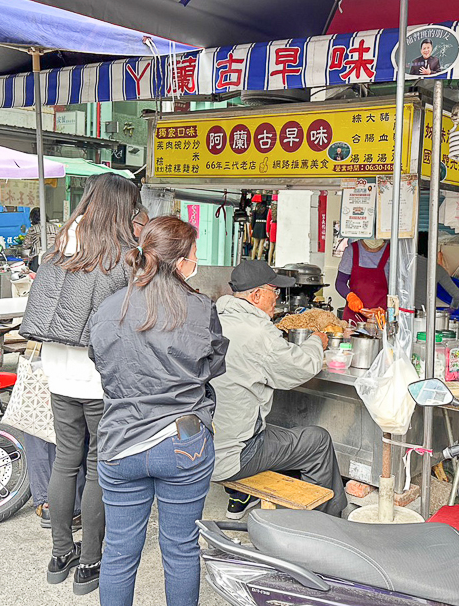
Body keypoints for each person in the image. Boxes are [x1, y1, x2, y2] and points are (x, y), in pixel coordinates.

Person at [89, 216, 228, 606]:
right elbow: (213, 365)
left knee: (117, 552)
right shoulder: (199, 308)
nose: (196, 260)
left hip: (119, 442)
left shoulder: (110, 306)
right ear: (180, 260)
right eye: (195, 253)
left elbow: (98, 360)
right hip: (182, 442)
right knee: (181, 549)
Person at [19, 172, 140, 595]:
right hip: (101, 377)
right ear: (122, 208)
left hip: (59, 373)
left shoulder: (59, 247)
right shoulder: (123, 255)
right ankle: (90, 562)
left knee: (65, 460)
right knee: (95, 466)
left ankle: (59, 554)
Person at [211, 259, 347, 519]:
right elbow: (301, 367)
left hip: (204, 445)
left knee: (280, 431)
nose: (278, 297)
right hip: (234, 455)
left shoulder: (215, 320)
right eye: (275, 291)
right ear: (257, 295)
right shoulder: (258, 332)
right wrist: (317, 342)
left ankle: (242, 499)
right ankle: (328, 524)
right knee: (316, 440)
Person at [335, 239, 390, 323]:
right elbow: (340, 282)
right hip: (353, 319)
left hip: (380, 318)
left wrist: (388, 310)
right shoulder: (352, 250)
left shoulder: (392, 252)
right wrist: (350, 297)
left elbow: (400, 287)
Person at [415, 232, 459, 312]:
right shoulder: (438, 269)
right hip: (422, 313)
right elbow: (458, 296)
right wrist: (451, 309)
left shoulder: (406, 263)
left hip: (401, 310)